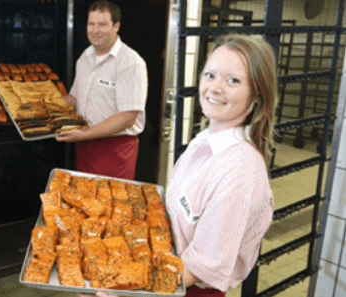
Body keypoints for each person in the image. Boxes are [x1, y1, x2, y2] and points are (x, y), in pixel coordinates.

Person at [78, 34, 277, 297]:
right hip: (163, 268)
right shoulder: (204, 140)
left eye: (233, 80)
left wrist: (120, 289)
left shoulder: (239, 171)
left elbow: (202, 267)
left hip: (186, 289)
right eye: (210, 75)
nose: (215, 88)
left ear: (256, 95)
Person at [55, 0, 148, 180]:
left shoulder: (130, 62)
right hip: (85, 146)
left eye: (102, 24)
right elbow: (75, 98)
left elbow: (128, 117)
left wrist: (84, 134)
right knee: (84, 201)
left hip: (115, 150)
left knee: (109, 205)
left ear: (116, 26)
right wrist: (47, 104)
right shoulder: (85, 57)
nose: (95, 30)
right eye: (91, 24)